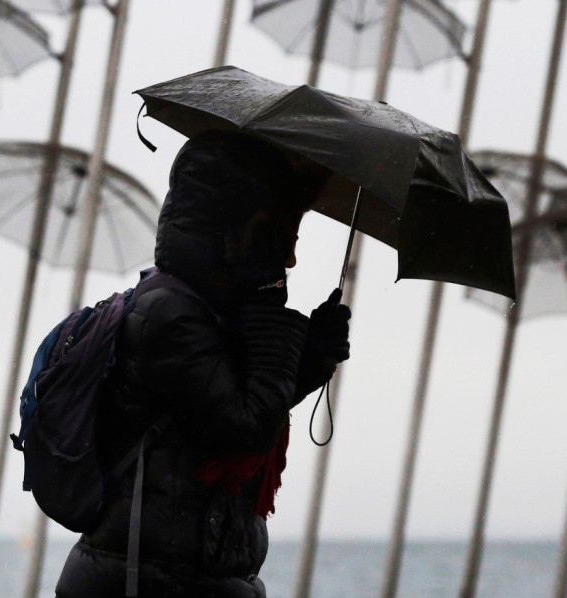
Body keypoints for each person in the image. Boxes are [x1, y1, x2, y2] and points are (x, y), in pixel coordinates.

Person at [55, 130, 351, 597]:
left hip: (179, 577)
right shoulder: (170, 313)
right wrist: (272, 313)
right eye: (281, 237)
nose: (290, 258)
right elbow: (246, 427)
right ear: (236, 229)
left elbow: (218, 410)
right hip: (148, 582)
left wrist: (312, 360)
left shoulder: (205, 309)